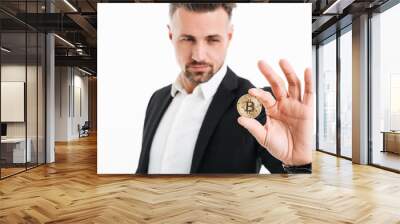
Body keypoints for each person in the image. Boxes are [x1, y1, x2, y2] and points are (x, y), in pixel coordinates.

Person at [136, 3, 313, 174]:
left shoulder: (260, 104)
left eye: (212, 40)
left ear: (229, 36)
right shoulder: (157, 99)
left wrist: (298, 164)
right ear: (171, 35)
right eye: (187, 39)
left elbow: (299, 195)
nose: (198, 55)